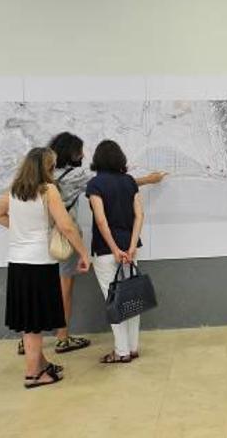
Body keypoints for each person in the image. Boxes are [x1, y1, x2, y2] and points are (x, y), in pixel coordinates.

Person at [15, 132, 167, 356]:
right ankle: (63, 337)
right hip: (63, 239)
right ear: (71, 152)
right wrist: (149, 179)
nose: (83, 155)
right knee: (64, 288)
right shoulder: (78, 176)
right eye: (79, 151)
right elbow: (114, 185)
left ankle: (28, 338)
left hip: (36, 238)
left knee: (37, 287)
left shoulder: (37, 176)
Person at [0, 147, 91, 388]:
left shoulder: (13, 191)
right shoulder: (48, 190)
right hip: (39, 263)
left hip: (17, 263)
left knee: (28, 320)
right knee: (35, 323)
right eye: (53, 165)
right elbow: (66, 226)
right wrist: (83, 253)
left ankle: (42, 364)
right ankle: (33, 375)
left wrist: (21, 231)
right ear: (47, 167)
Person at [86, 140, 146, 364]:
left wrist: (114, 249)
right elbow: (139, 215)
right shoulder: (130, 182)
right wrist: (130, 247)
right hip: (130, 250)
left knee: (114, 302)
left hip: (105, 251)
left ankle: (121, 352)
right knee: (131, 299)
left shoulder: (95, 185)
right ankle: (133, 347)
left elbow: (101, 221)